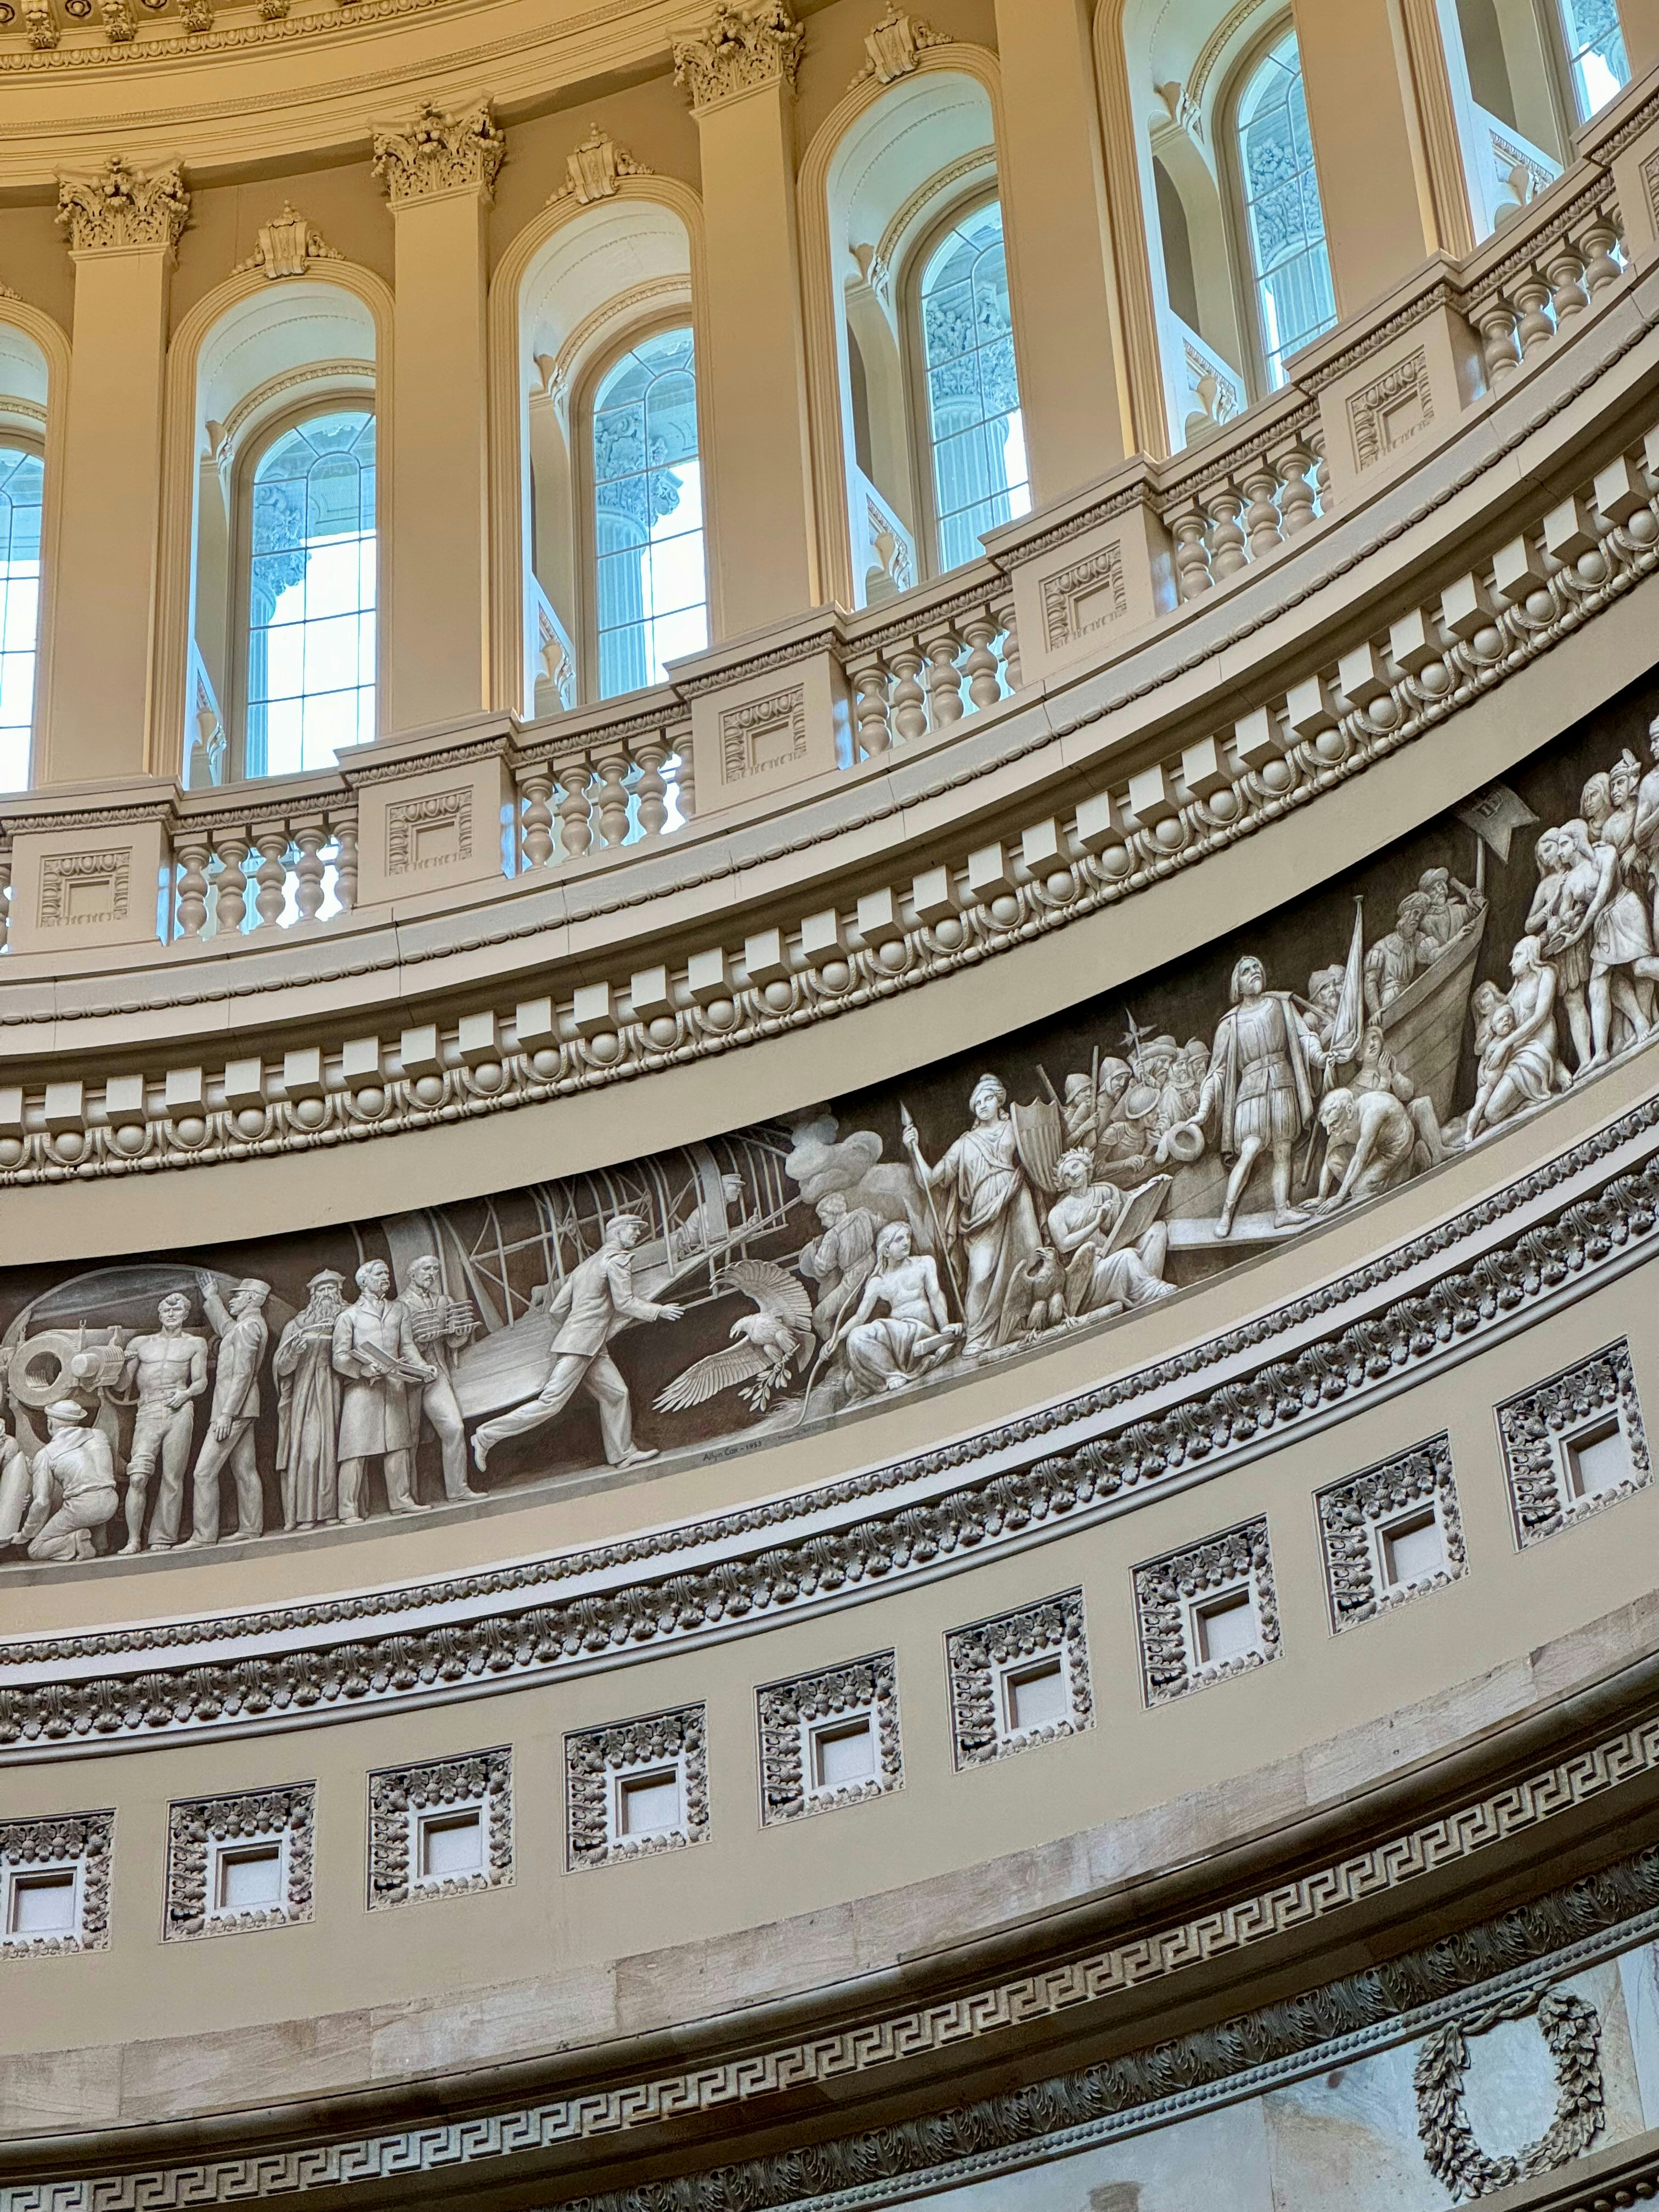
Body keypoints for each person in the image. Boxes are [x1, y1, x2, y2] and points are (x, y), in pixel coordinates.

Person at [470, 1212, 683, 1474]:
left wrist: (580, 1325)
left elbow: (557, 1309)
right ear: (616, 1232)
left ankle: (623, 1453)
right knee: (551, 1402)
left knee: (617, 1394)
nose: (638, 1234)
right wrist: (658, 1311)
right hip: (582, 1343)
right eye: (633, 1229)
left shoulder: (584, 1267)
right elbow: (624, 1303)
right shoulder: (617, 1260)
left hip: (589, 1343)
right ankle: (485, 1435)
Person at [902, 1075, 1044, 1354]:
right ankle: (978, 1335)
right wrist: (913, 1148)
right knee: (981, 1273)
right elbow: (929, 1180)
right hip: (981, 1210)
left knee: (1029, 1259)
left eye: (987, 1098)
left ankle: (1020, 1322)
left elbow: (1038, 1152)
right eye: (977, 1102)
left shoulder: (1015, 1127)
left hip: (1016, 1198)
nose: (982, 1105)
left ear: (999, 1100)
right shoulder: (965, 1143)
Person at [1186, 955, 1325, 1237]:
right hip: (1251, 1092)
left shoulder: (1280, 1005)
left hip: (1283, 1084)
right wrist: (1203, 1110)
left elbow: (1304, 1037)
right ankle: (1227, 1214)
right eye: (1246, 971)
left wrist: (1321, 1057)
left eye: (1257, 969)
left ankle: (1282, 1210)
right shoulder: (1230, 1023)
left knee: (1283, 1150)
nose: (1254, 973)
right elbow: (1218, 1072)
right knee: (1249, 1150)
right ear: (1237, 984)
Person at [332, 1260, 437, 1521]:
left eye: (387, 1274)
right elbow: (339, 1357)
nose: (385, 1278)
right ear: (363, 1281)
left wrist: (424, 1367)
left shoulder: (399, 1309)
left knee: (398, 1446)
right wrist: (363, 1371)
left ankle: (401, 1501)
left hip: (393, 1385)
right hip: (362, 1390)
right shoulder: (349, 1316)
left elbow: (408, 1346)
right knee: (355, 1451)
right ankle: (347, 1510)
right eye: (380, 1274)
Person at [115, 1290, 207, 1554]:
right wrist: (125, 1362)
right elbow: (123, 1386)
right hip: (148, 1411)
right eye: (166, 1310)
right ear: (159, 1314)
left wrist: (186, 1394)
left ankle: (162, 1537)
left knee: (172, 1477)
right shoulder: (142, 1344)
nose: (171, 1314)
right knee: (138, 1477)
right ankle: (133, 1540)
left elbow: (201, 1381)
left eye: (177, 1311)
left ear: (185, 1314)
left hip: (179, 1409)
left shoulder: (195, 1343)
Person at [182, 1276, 270, 1548]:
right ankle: (251, 1527)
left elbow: (243, 1375)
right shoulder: (248, 1325)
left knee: (204, 1472)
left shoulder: (248, 1329)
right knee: (245, 1469)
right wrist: (212, 1298)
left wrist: (226, 1414)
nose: (232, 1300)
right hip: (244, 1408)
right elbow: (227, 1328)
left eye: (238, 1296)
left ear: (253, 1299)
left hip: (233, 1409)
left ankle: (204, 1535)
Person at [829, 1222, 962, 1396]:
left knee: (884, 1329)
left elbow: (936, 1296)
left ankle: (892, 1374)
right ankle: (892, 1373)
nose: (906, 1242)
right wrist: (837, 1337)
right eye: (899, 1239)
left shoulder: (924, 1264)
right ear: (886, 1251)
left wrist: (945, 1329)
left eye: (907, 1237)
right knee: (856, 1336)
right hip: (897, 1342)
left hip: (922, 1333)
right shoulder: (879, 1281)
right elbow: (860, 1317)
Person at [1045, 1150, 1172, 1318]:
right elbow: (1063, 1245)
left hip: (1111, 1251)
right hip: (1091, 1273)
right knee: (1126, 1257)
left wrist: (1152, 1185)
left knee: (1157, 1230)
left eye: (1075, 1167)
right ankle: (1150, 1290)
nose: (1073, 1175)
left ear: (1086, 1167)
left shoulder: (1103, 1191)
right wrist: (1096, 1222)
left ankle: (1148, 1289)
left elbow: (1129, 1200)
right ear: (1064, 1182)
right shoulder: (1058, 1212)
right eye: (1067, 1175)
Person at [1465, 936, 1568, 1139]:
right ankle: (1527, 1100)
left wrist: (1505, 1044)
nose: (1512, 962)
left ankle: (1554, 1066)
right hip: (1517, 1054)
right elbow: (1497, 1030)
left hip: (1539, 1047)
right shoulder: (1512, 992)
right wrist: (1484, 1067)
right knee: (1491, 1113)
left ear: (1531, 955)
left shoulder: (1545, 974)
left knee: (1492, 1112)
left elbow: (1540, 1017)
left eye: (1518, 955)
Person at [400, 1255, 481, 1503]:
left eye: (435, 1269)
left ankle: (457, 1489)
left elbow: (452, 1340)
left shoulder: (444, 1301)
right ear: (412, 1274)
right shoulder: (399, 1305)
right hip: (409, 1379)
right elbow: (400, 1344)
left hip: (437, 1374)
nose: (432, 1273)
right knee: (408, 1440)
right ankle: (406, 1499)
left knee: (454, 1428)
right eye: (426, 1269)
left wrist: (461, 1335)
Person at [273, 1269, 345, 1531]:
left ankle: (338, 1510)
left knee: (343, 1453)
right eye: (321, 1289)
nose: (327, 1294)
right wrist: (293, 1354)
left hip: (343, 1391)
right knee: (312, 1451)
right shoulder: (298, 1323)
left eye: (331, 1288)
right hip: (309, 1396)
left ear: (339, 1291)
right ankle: (306, 1514)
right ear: (313, 1294)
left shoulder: (350, 1316)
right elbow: (281, 1368)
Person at [13, 1401, 119, 1563]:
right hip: (111, 1501)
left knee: (35, 1550)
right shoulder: (99, 1435)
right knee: (94, 1504)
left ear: (50, 1424)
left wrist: (26, 1533)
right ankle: (99, 1543)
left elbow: (42, 1503)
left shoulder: (46, 1454)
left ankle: (75, 1541)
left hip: (81, 1508)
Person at [1526, 826, 1594, 1073]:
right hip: (1563, 945)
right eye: (1540, 854)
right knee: (1574, 1001)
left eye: (1548, 848)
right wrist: (1549, 911)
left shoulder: (1581, 867)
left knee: (1603, 986)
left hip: (1587, 934)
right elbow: (1528, 925)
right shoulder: (1546, 885)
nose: (1545, 856)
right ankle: (1586, 1059)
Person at [1313, 1087, 1419, 1211]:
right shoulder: (1344, 1122)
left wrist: (1340, 1196)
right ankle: (1361, 1185)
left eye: (1333, 1123)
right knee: (1333, 1159)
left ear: (1349, 1110)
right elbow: (1327, 1160)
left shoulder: (1372, 1113)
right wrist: (1321, 1197)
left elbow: (1360, 1157)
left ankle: (1413, 1160)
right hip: (1375, 1148)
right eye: (1327, 1126)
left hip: (1396, 1147)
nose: (1329, 1131)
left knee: (1360, 1190)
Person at [798, 1192, 878, 1344]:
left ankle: (837, 1351)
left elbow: (823, 1268)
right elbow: (879, 1223)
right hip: (872, 1262)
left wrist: (816, 1251)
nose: (823, 1223)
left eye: (824, 1217)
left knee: (819, 1317)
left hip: (853, 1279)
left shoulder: (832, 1236)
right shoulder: (862, 1214)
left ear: (833, 1213)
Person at [1363, 893, 1429, 1017]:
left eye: (1420, 915)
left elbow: (1433, 955)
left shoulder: (1418, 940)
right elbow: (1370, 981)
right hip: (1390, 1000)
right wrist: (1375, 1011)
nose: (1417, 919)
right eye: (1415, 913)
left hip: (1409, 994)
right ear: (1405, 915)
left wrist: (1457, 938)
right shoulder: (1381, 947)